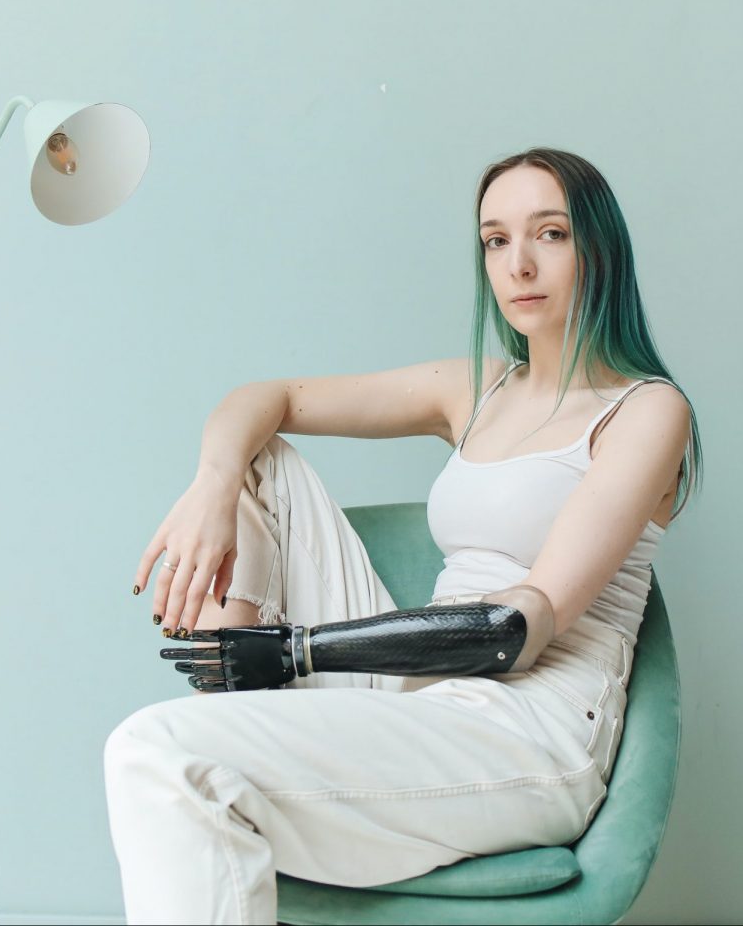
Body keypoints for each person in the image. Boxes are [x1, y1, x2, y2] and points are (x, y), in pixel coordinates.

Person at [103, 147, 702, 925]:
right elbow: (268, 396)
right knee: (258, 458)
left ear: (599, 248)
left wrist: (298, 650)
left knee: (155, 749)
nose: (518, 263)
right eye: (495, 240)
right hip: (415, 699)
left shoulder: (648, 411)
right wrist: (214, 487)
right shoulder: (478, 387)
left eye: (549, 234)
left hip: (525, 732)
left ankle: (246, 706)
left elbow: (514, 628)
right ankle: (236, 695)